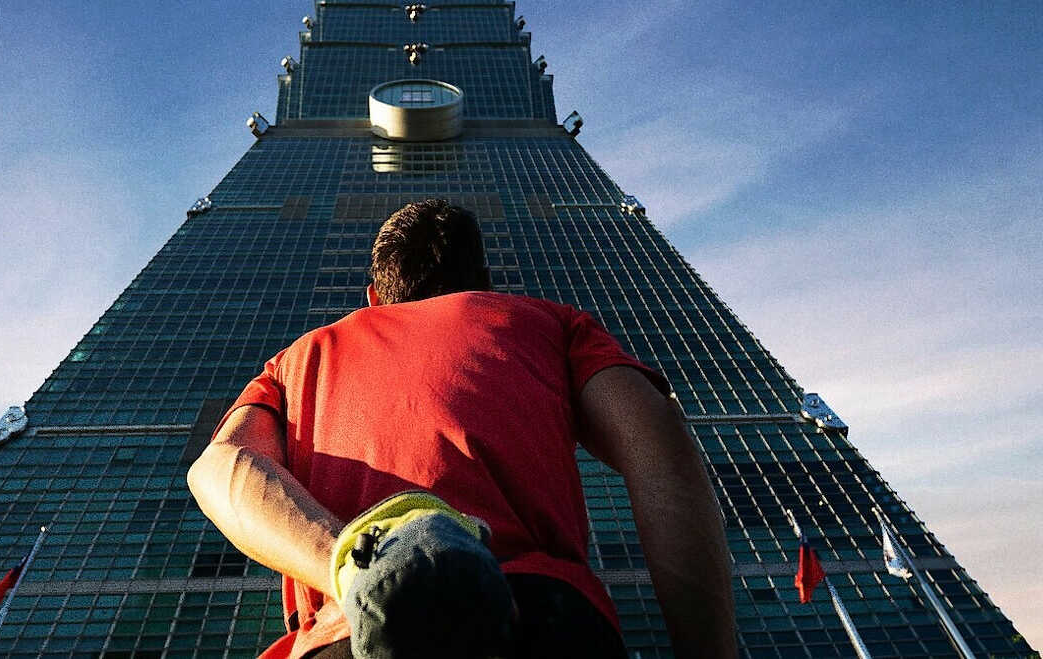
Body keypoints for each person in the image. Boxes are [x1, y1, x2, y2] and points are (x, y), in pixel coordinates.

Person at [187, 199, 737, 659]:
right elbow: (658, 440)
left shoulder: (300, 357)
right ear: (486, 285)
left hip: (348, 631)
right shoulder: (550, 324)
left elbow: (220, 468)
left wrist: (357, 569)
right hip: (538, 614)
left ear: (374, 299)